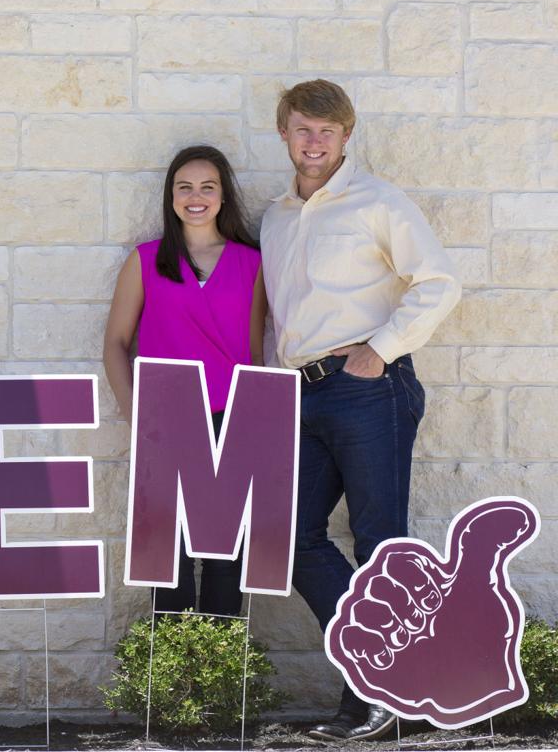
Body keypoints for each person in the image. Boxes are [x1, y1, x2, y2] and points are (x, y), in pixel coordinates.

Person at [261, 80, 461, 741]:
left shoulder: (378, 201)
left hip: (367, 388)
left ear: (346, 136)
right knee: (291, 539)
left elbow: (437, 283)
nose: (313, 141)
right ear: (284, 134)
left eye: (326, 130)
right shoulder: (277, 217)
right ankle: (380, 681)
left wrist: (379, 350)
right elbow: (284, 316)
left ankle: (378, 699)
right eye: (301, 129)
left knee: (379, 545)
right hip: (302, 393)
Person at [103, 144, 266, 617]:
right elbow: (115, 342)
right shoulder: (146, 260)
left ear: (223, 196)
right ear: (171, 196)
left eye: (207, 187)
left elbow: (253, 352)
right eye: (184, 187)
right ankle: (170, 685)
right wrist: (136, 413)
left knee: (226, 562)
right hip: (166, 422)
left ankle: (218, 681)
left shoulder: (251, 263)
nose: (196, 197)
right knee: (166, 563)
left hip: (230, 423)